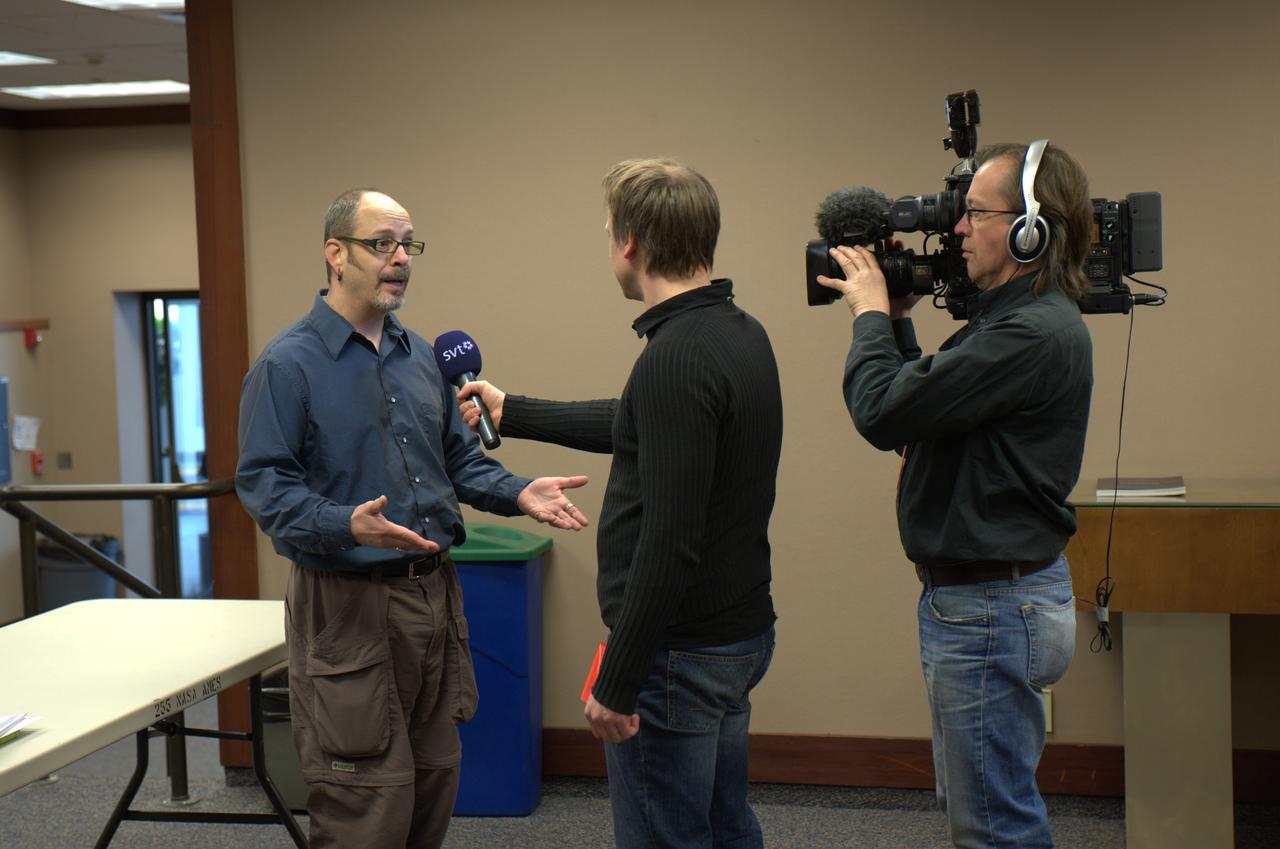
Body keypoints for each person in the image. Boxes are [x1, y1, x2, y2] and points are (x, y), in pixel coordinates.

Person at [235, 187, 590, 849]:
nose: (400, 259)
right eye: (382, 244)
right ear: (335, 254)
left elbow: (456, 462)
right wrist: (344, 523)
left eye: (408, 245)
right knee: (364, 804)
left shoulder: (420, 356)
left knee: (430, 788)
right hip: (347, 605)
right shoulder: (287, 366)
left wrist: (517, 491)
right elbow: (263, 486)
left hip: (432, 597)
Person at [457, 159, 783, 849]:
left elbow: (670, 540)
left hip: (677, 656)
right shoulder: (738, 332)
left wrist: (620, 677)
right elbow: (643, 423)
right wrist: (512, 410)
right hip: (737, 636)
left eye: (609, 231)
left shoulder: (675, 357)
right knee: (726, 827)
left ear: (631, 242)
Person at [817, 141, 1094, 849]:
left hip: (992, 610)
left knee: (996, 827)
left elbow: (879, 411)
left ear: (1031, 228)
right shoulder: (1014, 323)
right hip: (988, 602)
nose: (959, 230)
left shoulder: (1025, 334)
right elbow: (920, 421)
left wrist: (871, 315)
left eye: (975, 213)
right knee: (987, 811)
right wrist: (901, 318)